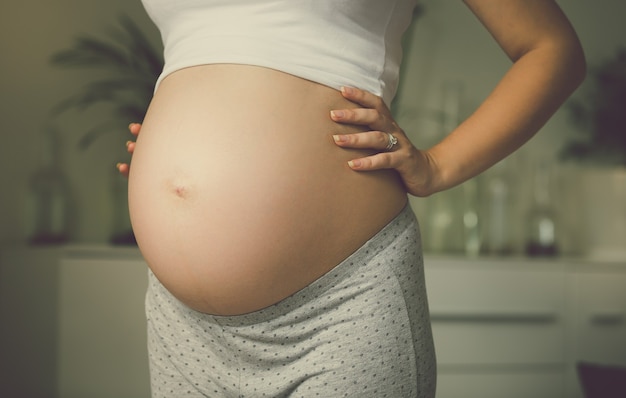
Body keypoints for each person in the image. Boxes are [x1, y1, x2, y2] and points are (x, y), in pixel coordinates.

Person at [117, 1, 585, 397]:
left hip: (340, 308)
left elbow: (552, 49)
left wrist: (439, 165)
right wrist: (177, 136)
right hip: (184, 325)